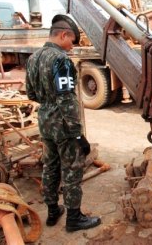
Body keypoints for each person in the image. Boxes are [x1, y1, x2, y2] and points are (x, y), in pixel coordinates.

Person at [26, 14, 101, 232]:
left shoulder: (33, 58)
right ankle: (74, 218)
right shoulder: (61, 60)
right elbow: (66, 99)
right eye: (71, 42)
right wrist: (78, 135)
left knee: (50, 166)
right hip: (63, 125)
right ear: (63, 34)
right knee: (71, 170)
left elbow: (31, 93)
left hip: (45, 121)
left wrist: (47, 104)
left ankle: (52, 212)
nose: (71, 47)